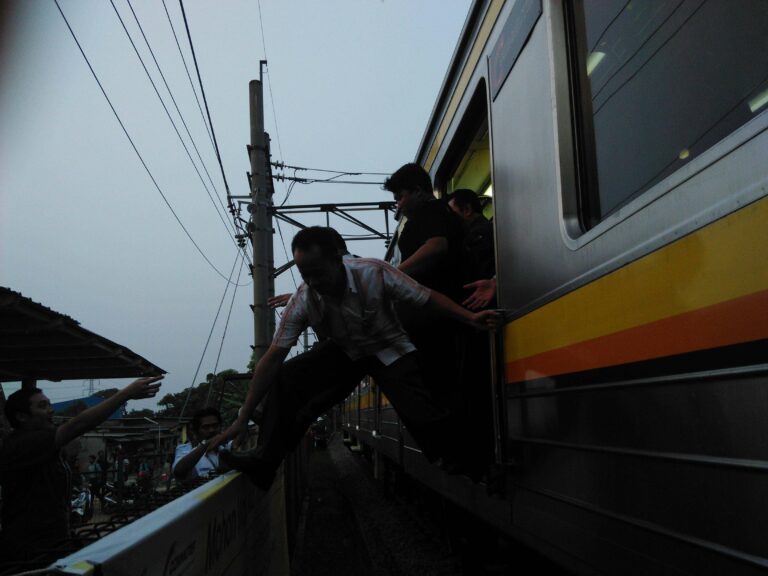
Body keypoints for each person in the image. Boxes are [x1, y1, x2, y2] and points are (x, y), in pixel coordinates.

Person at [209, 227, 499, 490]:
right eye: (304, 274)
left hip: (389, 349)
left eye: (318, 272)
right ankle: (264, 463)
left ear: (337, 258)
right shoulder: (303, 299)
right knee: (287, 377)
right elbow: (272, 359)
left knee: (422, 414)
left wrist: (469, 318)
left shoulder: (374, 272)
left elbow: (426, 297)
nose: (313, 281)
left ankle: (478, 467)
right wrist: (243, 416)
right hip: (345, 352)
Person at [0, 376, 162, 563]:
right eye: (42, 406)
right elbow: (78, 425)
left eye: (49, 404)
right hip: (29, 551)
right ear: (21, 417)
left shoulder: (44, 445)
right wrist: (124, 394)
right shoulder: (22, 444)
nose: (51, 410)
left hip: (52, 543)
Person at [172, 407, 230, 482]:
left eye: (215, 426)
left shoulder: (225, 447)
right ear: (196, 431)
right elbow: (178, 471)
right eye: (206, 427)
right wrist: (206, 444)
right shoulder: (185, 448)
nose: (212, 430)